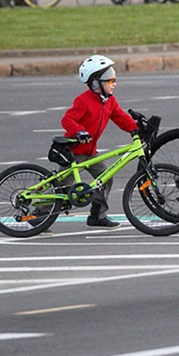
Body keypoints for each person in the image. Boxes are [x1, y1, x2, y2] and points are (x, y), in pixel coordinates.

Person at [61, 55, 139, 228]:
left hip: (90, 153)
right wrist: (79, 131)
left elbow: (121, 119)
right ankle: (38, 217)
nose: (114, 84)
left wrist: (137, 128)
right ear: (96, 84)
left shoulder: (110, 101)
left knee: (105, 178)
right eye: (110, 80)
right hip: (73, 151)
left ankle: (97, 215)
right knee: (63, 186)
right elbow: (67, 120)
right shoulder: (83, 101)